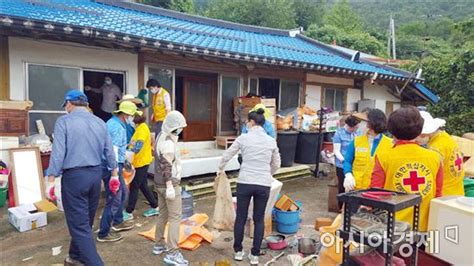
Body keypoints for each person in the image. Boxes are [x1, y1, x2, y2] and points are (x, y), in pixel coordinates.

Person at [45, 90, 118, 265]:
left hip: (74, 178)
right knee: (85, 222)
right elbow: (109, 150)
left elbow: (58, 153)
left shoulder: (64, 122)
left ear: (69, 103)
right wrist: (114, 174)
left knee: (79, 226)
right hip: (95, 176)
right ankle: (75, 256)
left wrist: (50, 179)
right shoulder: (100, 122)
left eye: (66, 106)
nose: (66, 109)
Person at [218, 108, 281, 265]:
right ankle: (254, 255)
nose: (246, 124)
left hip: (245, 182)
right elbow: (277, 164)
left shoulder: (243, 138)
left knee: (241, 217)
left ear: (252, 122)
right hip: (263, 184)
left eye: (247, 122)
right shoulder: (271, 140)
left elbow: (228, 154)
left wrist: (220, 168)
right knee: (259, 219)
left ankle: (238, 251)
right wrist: (268, 173)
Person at [371, 106, 443, 232]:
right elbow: (437, 194)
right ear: (420, 130)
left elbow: (375, 193)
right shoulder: (435, 157)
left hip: (393, 227)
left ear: (391, 130)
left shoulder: (383, 156)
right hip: (423, 227)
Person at [97, 101, 140, 242]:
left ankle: (117, 221)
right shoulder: (117, 128)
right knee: (114, 198)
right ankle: (104, 232)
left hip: (114, 164)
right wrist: (115, 172)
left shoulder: (113, 123)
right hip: (112, 166)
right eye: (132, 115)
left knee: (122, 193)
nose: (132, 118)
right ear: (126, 114)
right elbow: (112, 151)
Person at [152, 111, 188, 265]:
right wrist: (170, 187)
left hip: (158, 183)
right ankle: (172, 253)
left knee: (163, 215)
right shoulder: (168, 142)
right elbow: (166, 165)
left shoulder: (161, 135)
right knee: (175, 218)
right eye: (180, 127)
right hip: (169, 184)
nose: (181, 130)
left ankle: (158, 245)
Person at [343, 109, 392, 191]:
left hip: (378, 190)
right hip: (356, 188)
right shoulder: (356, 142)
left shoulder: (390, 144)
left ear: (373, 124)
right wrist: (348, 174)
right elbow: (347, 161)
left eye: (365, 122)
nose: (361, 125)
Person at [418, 111, 465, 196]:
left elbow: (430, 176)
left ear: (425, 133)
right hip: (457, 192)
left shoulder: (436, 148)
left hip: (444, 196)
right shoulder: (445, 137)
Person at [124, 112, 159, 218]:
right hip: (140, 161)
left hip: (142, 162)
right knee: (143, 185)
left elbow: (138, 146)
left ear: (136, 119)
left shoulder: (142, 129)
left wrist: (127, 152)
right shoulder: (140, 128)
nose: (129, 119)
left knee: (134, 186)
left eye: (131, 117)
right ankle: (155, 206)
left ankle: (129, 211)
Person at [332, 115, 360, 208]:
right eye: (355, 127)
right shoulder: (339, 134)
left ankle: (352, 207)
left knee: (354, 187)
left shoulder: (357, 133)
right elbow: (336, 151)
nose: (356, 129)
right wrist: (345, 160)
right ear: (349, 126)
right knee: (343, 187)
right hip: (342, 164)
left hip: (355, 164)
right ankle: (341, 208)